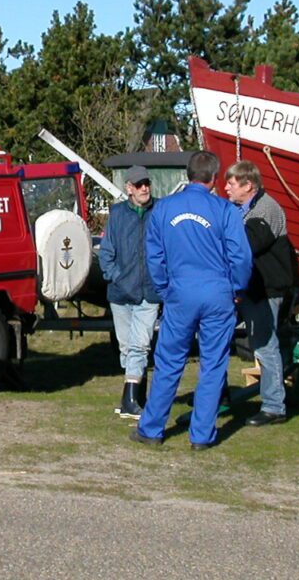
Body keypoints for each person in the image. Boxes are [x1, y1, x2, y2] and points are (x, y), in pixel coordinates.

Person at [130, 151, 252, 450]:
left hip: (180, 292)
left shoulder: (164, 208)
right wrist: (236, 288)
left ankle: (152, 428)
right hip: (217, 293)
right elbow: (240, 256)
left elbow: (154, 256)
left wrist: (165, 289)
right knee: (213, 364)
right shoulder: (225, 210)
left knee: (168, 361)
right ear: (214, 178)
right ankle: (201, 435)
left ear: (188, 174)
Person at [225, 160, 296, 426]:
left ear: (248, 186)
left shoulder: (266, 209)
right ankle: (219, 395)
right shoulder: (242, 210)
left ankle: (274, 406)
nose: (226, 188)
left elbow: (247, 246)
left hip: (265, 290)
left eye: (231, 183)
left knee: (266, 347)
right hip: (250, 288)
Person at [99, 165, 161, 419]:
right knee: (126, 348)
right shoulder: (117, 214)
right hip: (121, 293)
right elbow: (106, 253)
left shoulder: (159, 211)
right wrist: (116, 276)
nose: (144, 188)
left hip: (150, 291)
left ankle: (130, 401)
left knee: (140, 345)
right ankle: (137, 397)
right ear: (129, 188)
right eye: (139, 184)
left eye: (147, 183)